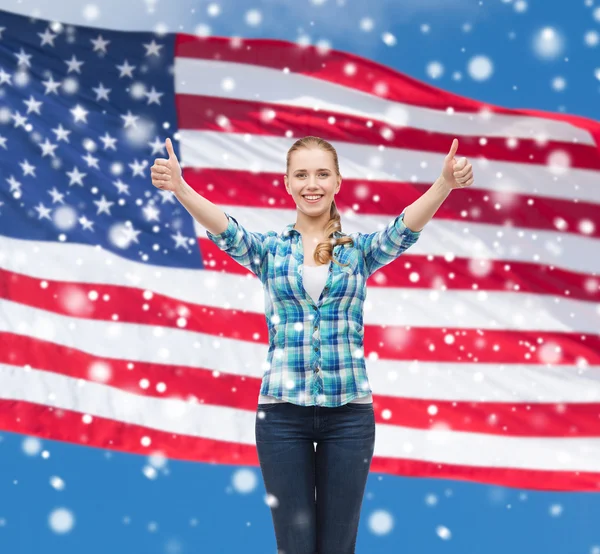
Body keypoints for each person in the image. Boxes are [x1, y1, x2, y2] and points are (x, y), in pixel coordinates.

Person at [150, 135, 474, 554]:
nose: (312, 183)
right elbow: (225, 230)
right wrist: (180, 187)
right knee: (295, 545)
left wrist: (444, 183)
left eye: (322, 174)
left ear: (338, 182)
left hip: (349, 419)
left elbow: (403, 229)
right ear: (286, 183)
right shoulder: (269, 252)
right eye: (301, 175)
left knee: (338, 547)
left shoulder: (357, 253)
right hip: (282, 417)